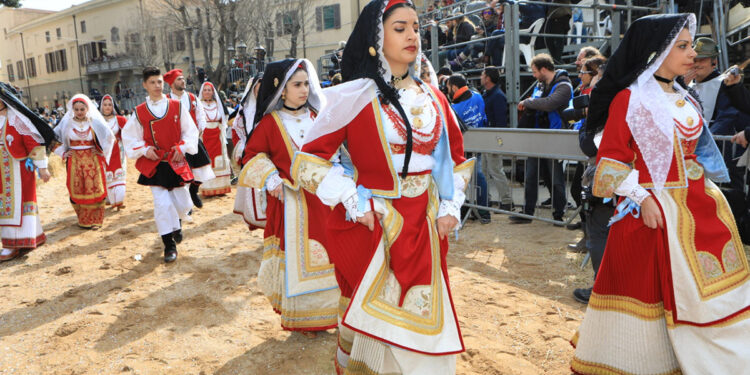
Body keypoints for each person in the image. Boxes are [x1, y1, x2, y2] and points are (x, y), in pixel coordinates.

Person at [293, 1, 472, 373]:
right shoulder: (353, 96)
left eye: (416, 28)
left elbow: (451, 160)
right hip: (376, 224)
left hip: (424, 225)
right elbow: (308, 161)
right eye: (400, 27)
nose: (411, 35)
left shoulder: (434, 98)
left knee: (424, 317)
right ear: (377, 37)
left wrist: (450, 205)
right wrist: (352, 198)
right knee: (375, 320)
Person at [571, 14, 750, 374]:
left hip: (699, 207)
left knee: (710, 294)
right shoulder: (629, 99)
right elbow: (611, 160)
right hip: (651, 211)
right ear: (657, 51)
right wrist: (643, 198)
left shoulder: (684, 95)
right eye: (682, 46)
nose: (692, 54)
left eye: (691, 46)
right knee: (651, 290)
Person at [238, 59, 339, 335]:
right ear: (282, 90)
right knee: (296, 262)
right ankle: (303, 316)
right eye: (297, 84)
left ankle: (329, 312)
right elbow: (252, 155)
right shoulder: (271, 123)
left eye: (307, 83)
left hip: (323, 202)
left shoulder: (318, 118)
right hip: (290, 206)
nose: (304, 89)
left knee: (329, 255)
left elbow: (335, 151)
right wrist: (271, 178)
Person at [122, 66, 198, 263]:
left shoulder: (176, 106)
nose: (157, 86)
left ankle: (177, 223)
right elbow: (129, 138)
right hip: (155, 165)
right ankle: (169, 245)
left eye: (159, 82)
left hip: (176, 162)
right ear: (145, 85)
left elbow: (190, 131)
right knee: (162, 204)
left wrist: (182, 148)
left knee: (183, 204)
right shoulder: (139, 112)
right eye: (153, 82)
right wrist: (145, 150)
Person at [511, 53, 573, 224]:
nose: (533, 75)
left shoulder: (564, 85)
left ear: (544, 69)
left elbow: (549, 104)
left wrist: (529, 101)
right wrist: (531, 102)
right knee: (530, 176)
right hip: (537, 136)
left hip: (554, 137)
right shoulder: (540, 84)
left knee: (555, 178)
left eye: (534, 71)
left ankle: (559, 213)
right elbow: (539, 102)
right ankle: (527, 213)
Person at [570, 56, 612, 303]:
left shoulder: (607, 107)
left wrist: (586, 122)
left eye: (593, 76)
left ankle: (602, 289)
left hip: (607, 179)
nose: (590, 82)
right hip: (617, 180)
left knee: (600, 235)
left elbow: (589, 145)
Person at [686, 37, 749, 195]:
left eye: (703, 60)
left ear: (714, 62)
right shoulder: (687, 84)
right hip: (696, 148)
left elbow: (727, 117)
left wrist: (704, 141)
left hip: (721, 149)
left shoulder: (725, 83)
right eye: (695, 59)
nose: (697, 63)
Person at [0, 82, 55, 262]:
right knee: (4, 206)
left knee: (19, 205)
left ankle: (12, 245)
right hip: (1, 171)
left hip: (19, 170)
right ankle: (27, 238)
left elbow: (33, 143)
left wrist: (43, 167)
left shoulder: (16, 119)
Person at [54, 94, 115, 229]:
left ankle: (96, 220)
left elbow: (109, 137)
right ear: (72, 110)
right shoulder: (66, 124)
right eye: (76, 109)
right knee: (78, 188)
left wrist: (101, 151)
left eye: (82, 109)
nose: (80, 112)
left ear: (88, 109)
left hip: (92, 160)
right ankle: (83, 219)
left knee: (96, 188)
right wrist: (63, 153)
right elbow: (53, 139)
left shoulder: (95, 122)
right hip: (75, 161)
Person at [163, 69, 215, 209]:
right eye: (179, 79)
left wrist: (198, 131)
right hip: (175, 143)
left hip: (193, 139)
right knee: (180, 173)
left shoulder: (192, 98)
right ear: (172, 84)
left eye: (182, 78)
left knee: (200, 169)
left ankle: (193, 191)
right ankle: (185, 203)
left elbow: (201, 115)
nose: (183, 81)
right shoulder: (166, 100)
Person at [446, 73, 491, 223]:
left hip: (463, 147)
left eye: (448, 87)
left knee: (468, 177)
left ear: (454, 87)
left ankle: (479, 211)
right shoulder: (478, 96)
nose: (447, 90)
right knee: (477, 176)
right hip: (478, 142)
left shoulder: (454, 108)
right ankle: (481, 210)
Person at [231, 75, 266, 230]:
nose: (260, 93)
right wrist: (243, 147)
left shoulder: (275, 107)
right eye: (257, 90)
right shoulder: (245, 110)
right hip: (253, 155)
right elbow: (237, 131)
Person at [480, 66, 512, 210]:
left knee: (495, 170)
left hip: (492, 138)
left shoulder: (497, 96)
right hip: (487, 137)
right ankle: (487, 200)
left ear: (488, 78)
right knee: (486, 170)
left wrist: (497, 141)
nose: (481, 77)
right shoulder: (489, 94)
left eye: (482, 75)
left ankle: (506, 201)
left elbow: (500, 122)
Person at [197, 81, 232, 197]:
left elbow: (224, 117)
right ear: (202, 92)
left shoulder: (218, 104)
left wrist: (222, 127)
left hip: (217, 136)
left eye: (209, 90)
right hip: (204, 136)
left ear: (213, 92)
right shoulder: (198, 105)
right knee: (207, 161)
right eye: (205, 90)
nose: (207, 92)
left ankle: (221, 188)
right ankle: (208, 188)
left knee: (220, 161)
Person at [99, 95, 128, 210]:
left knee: (120, 175)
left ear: (113, 106)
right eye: (105, 105)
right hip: (104, 153)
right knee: (108, 177)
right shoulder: (97, 121)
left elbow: (128, 134)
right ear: (101, 106)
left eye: (109, 104)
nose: (107, 107)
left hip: (118, 151)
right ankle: (112, 200)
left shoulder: (120, 120)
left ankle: (119, 200)